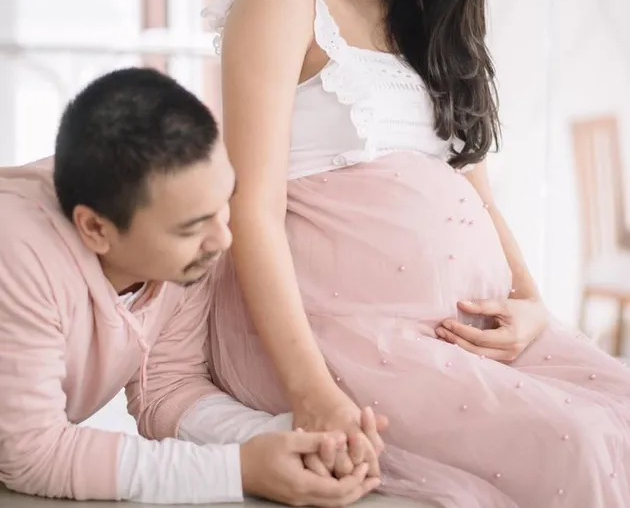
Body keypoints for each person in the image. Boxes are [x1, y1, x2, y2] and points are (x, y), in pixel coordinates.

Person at [192, 0, 630, 507]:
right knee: (575, 442)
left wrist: (532, 304)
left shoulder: (424, 21)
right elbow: (254, 209)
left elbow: (477, 195)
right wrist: (312, 392)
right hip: (340, 333)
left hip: (463, 331)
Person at [0, 67, 384, 505]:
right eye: (192, 227)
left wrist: (302, 439)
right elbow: (31, 454)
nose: (224, 240)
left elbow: (167, 387)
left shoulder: (180, 242)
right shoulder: (17, 254)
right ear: (95, 228)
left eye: (224, 204)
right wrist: (238, 471)